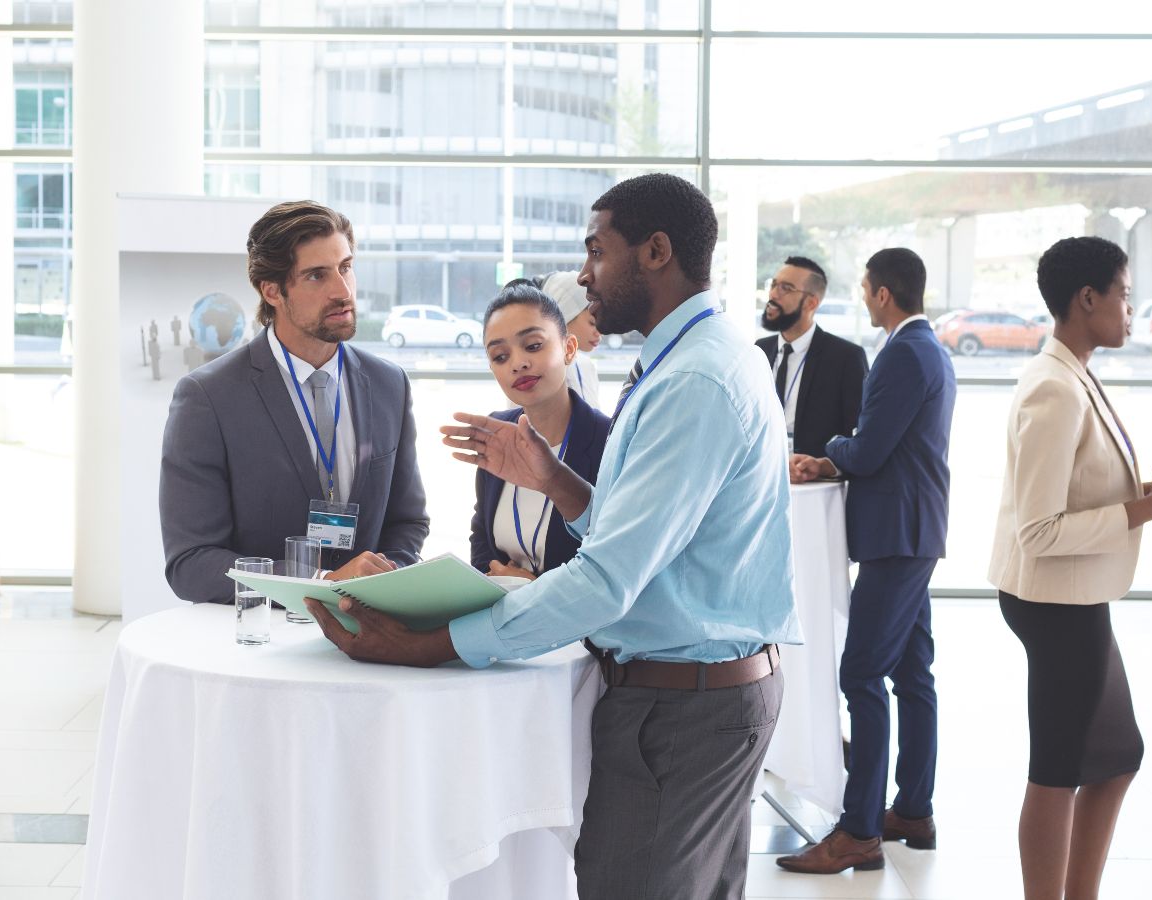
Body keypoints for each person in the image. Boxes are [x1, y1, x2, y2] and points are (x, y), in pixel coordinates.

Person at [305, 173, 799, 900]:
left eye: (597, 252)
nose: (584, 276)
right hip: (699, 695)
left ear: (656, 251)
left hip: (683, 708)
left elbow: (607, 578)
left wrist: (432, 645)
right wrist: (555, 481)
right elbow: (653, 542)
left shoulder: (695, 379)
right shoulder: (697, 356)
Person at [989, 236, 1152, 900]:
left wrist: (1141, 494)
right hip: (1055, 603)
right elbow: (1039, 531)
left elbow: (1073, 491)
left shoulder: (1074, 372)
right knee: (1057, 768)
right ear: (1088, 299)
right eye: (1126, 295)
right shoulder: (1055, 389)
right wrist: (1151, 511)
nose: (1133, 311)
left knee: (1118, 758)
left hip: (1074, 598)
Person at [782, 248, 955, 875]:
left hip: (896, 536)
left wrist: (827, 448)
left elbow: (872, 448)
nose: (864, 296)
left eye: (865, 288)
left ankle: (858, 830)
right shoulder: (926, 348)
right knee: (912, 675)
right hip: (911, 531)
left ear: (882, 294)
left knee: (861, 676)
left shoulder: (905, 353)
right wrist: (840, 458)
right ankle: (911, 809)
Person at [160, 201, 428, 599]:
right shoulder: (208, 398)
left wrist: (382, 580)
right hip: (261, 641)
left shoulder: (389, 384)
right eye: (317, 275)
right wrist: (320, 584)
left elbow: (407, 523)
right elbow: (191, 562)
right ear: (272, 291)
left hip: (370, 635)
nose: (342, 290)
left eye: (346, 267)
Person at [470, 279, 611, 581]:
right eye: (500, 356)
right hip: (502, 621)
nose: (518, 364)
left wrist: (532, 589)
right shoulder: (498, 432)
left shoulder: (608, 440)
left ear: (569, 348)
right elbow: (481, 545)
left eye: (533, 346)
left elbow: (614, 563)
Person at [756, 255, 869, 457]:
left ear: (811, 303)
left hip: (816, 482)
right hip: (762, 475)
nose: (773, 294)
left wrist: (822, 467)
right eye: (773, 285)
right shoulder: (759, 350)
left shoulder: (845, 358)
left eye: (786, 288)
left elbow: (856, 434)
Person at [543, 270, 603, 408]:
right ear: (564, 316)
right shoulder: (536, 371)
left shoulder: (587, 366)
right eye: (592, 323)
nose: (599, 332)